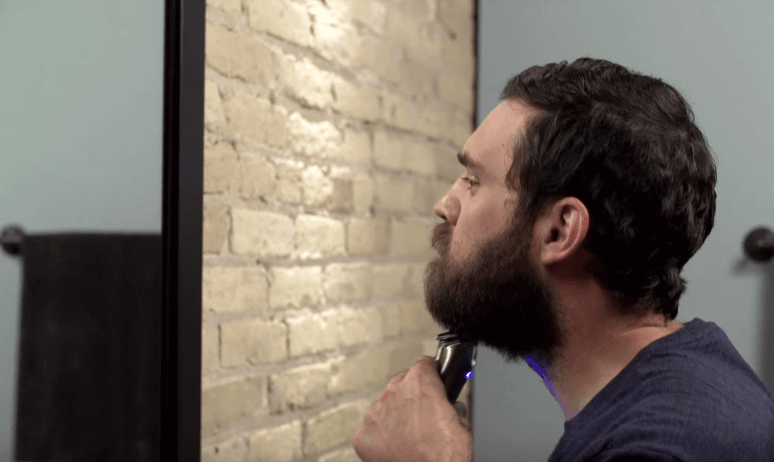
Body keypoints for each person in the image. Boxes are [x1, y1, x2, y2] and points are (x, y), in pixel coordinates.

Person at [352, 57, 774, 462]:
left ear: (559, 231)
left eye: (474, 180)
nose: (445, 205)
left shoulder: (656, 451)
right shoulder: (688, 378)